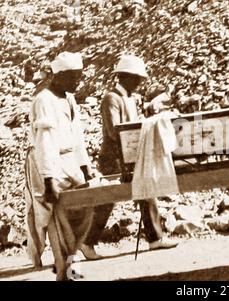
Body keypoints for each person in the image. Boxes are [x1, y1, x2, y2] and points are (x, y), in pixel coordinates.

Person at [80, 54, 178, 259]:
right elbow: (113, 131)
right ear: (126, 77)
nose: (139, 83)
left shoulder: (131, 99)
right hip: (113, 159)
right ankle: (87, 242)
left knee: (146, 190)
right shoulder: (111, 98)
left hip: (131, 157)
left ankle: (155, 238)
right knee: (108, 199)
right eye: (137, 79)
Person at [25, 52, 95, 280]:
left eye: (80, 77)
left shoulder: (69, 99)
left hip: (70, 160)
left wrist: (84, 166)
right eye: (74, 77)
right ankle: (63, 270)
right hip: (50, 161)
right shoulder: (44, 100)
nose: (78, 82)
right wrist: (49, 178)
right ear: (60, 75)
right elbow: (45, 142)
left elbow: (77, 136)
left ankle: (70, 260)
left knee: (84, 207)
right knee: (57, 214)